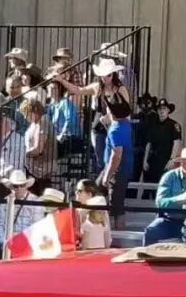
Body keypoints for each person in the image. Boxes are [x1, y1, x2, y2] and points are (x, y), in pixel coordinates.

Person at [56, 57, 133, 229]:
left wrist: (108, 174)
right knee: (104, 166)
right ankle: (103, 194)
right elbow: (79, 90)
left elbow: (125, 113)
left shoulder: (120, 92)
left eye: (108, 75)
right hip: (103, 129)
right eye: (103, 75)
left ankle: (103, 199)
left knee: (112, 180)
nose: (106, 78)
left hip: (114, 133)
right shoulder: (98, 88)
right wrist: (61, 80)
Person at [0, 169, 45, 263]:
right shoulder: (5, 201)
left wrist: (20, 243)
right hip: (6, 240)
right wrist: (5, 242)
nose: (18, 188)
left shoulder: (36, 202)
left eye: (21, 185)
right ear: (11, 187)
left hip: (27, 242)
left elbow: (36, 228)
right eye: (15, 186)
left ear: (26, 186)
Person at [143, 99, 183, 182]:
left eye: (164, 108)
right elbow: (149, 143)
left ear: (168, 110)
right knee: (148, 188)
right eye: (160, 109)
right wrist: (145, 160)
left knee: (163, 186)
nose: (162, 111)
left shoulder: (174, 125)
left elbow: (176, 143)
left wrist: (172, 160)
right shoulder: (153, 125)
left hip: (165, 161)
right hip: (152, 161)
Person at [21, 99, 55, 182]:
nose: (25, 117)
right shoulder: (35, 124)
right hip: (33, 168)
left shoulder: (43, 122)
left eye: (27, 114)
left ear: (35, 111)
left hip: (42, 170)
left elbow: (38, 149)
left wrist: (21, 155)